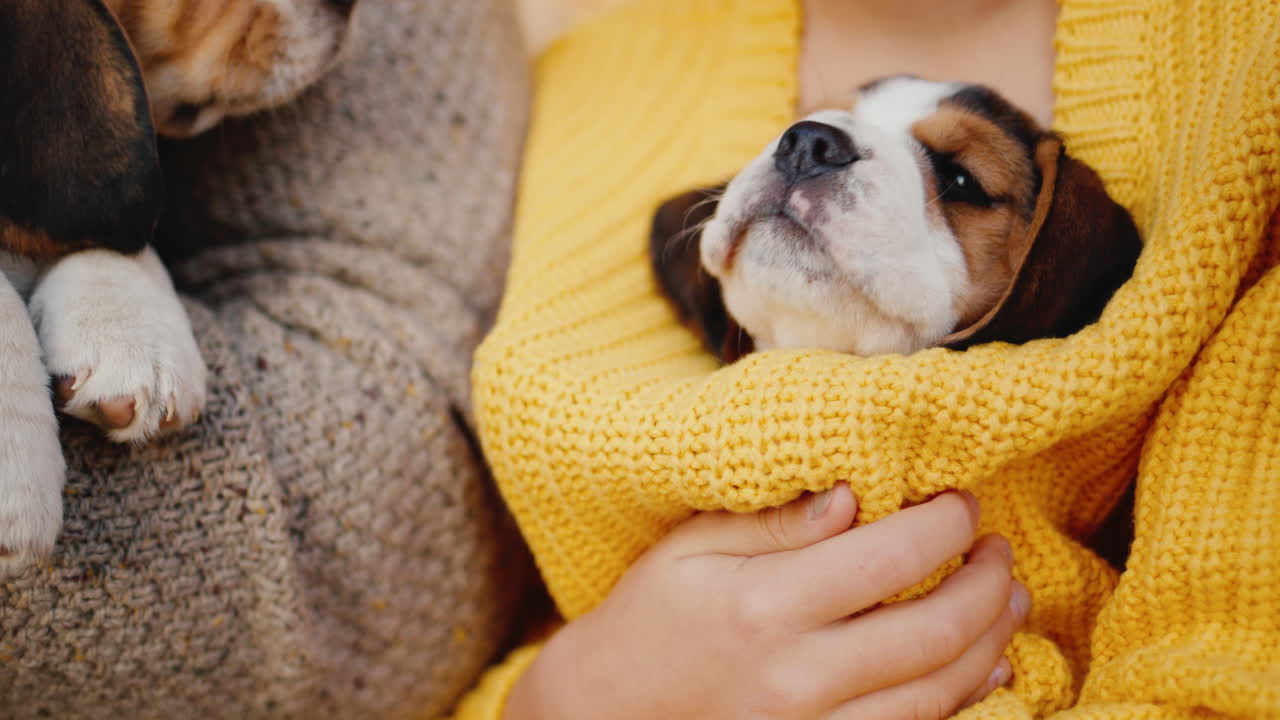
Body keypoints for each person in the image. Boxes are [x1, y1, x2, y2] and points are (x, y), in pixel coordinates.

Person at [456, 0, 1280, 717]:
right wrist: (567, 698)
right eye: (811, 132)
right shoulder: (597, 69)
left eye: (960, 182)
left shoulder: (1248, 84)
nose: (815, 150)